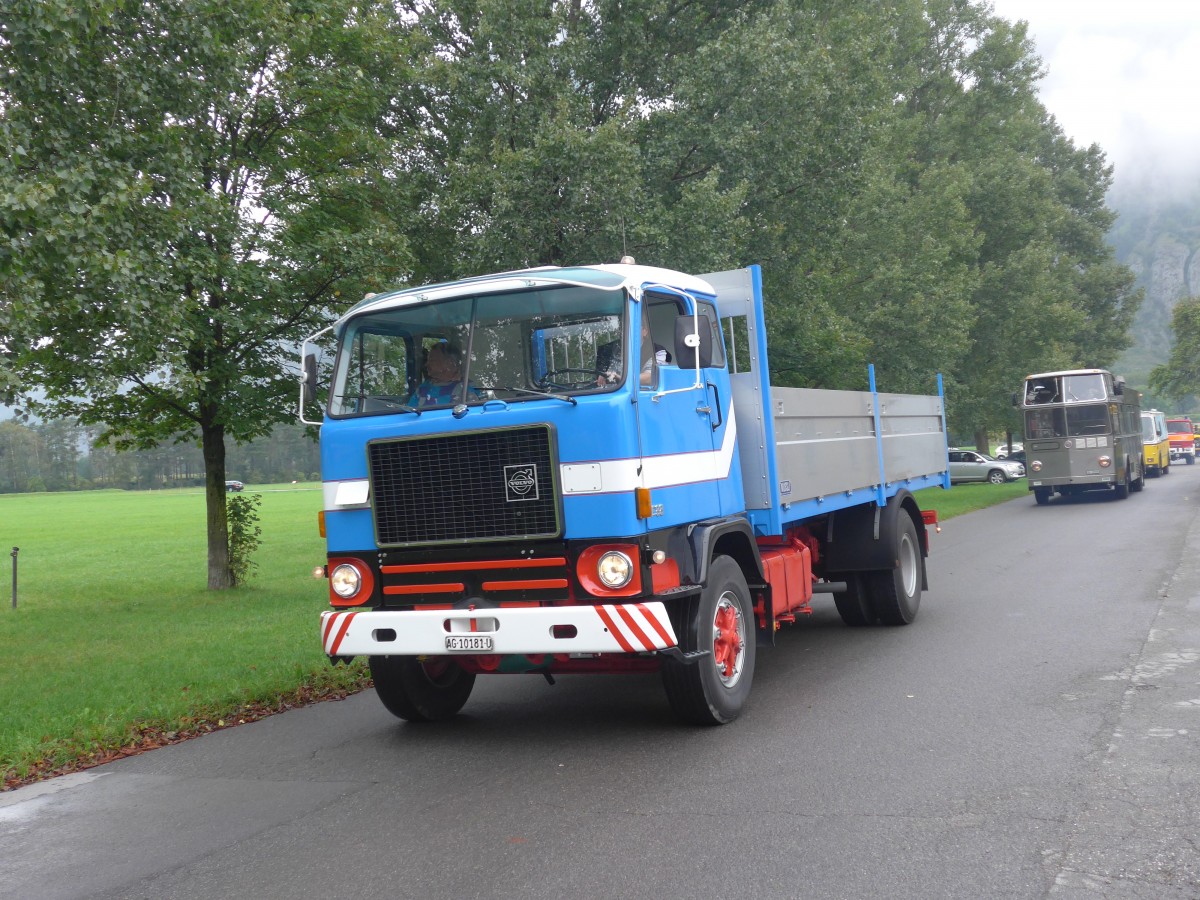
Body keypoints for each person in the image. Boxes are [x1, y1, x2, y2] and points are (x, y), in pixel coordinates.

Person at [411, 341, 480, 407]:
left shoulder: (465, 389)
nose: (426, 364)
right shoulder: (423, 388)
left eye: (432, 360)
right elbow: (408, 413)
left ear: (449, 363)